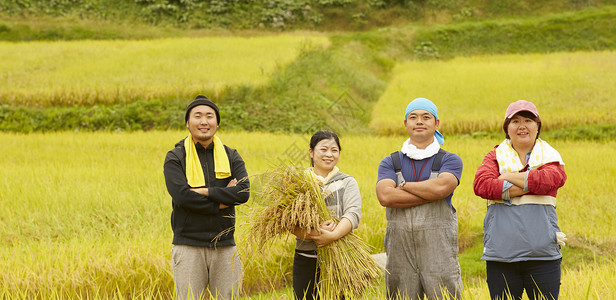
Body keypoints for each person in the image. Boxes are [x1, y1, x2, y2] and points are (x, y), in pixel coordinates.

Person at [473, 100, 567, 300]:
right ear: (507, 128)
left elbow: (552, 179)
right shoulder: (494, 157)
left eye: (528, 120)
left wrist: (505, 177)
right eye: (515, 121)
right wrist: (530, 184)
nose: (522, 125)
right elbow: (482, 185)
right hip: (501, 254)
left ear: (537, 126)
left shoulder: (550, 156)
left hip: (543, 255)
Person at [163, 95, 250, 300]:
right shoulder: (176, 157)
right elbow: (183, 197)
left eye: (209, 116)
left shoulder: (231, 156)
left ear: (217, 123)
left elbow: (243, 192)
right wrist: (223, 201)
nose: (204, 121)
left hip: (225, 245)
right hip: (188, 245)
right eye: (198, 116)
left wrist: (205, 191)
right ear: (188, 122)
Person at [376, 98, 463, 300]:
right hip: (400, 253)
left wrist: (405, 186)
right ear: (405, 123)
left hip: (439, 253)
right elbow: (386, 196)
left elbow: (442, 187)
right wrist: (430, 193)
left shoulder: (449, 160)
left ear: (436, 123)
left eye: (426, 117)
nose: (419, 121)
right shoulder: (391, 161)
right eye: (413, 117)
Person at [291, 130, 362, 300]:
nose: (329, 154)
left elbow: (353, 214)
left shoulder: (347, 182)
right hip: (305, 258)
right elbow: (289, 222)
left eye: (334, 150)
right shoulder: (298, 182)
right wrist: (314, 234)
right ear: (311, 152)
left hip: (341, 259)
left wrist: (332, 235)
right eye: (323, 149)